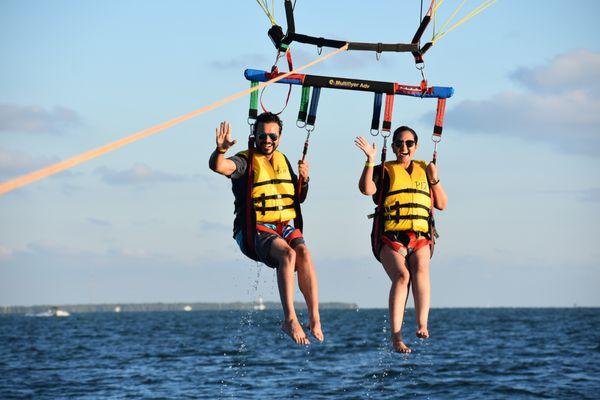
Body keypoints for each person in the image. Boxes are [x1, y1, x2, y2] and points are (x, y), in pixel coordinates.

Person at [209, 112, 323, 345]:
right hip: (253, 230)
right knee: (288, 254)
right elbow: (219, 166)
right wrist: (220, 150)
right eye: (263, 135)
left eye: (273, 135)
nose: (268, 139)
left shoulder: (282, 159)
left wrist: (305, 179)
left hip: (283, 226)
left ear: (280, 136)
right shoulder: (244, 161)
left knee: (304, 254)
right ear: (255, 135)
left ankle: (314, 317)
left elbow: (297, 197)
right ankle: (290, 319)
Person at [355, 126, 447, 353]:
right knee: (402, 276)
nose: (403, 148)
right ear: (393, 146)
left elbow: (442, 204)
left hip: (420, 237)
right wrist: (369, 160)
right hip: (391, 237)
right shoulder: (384, 170)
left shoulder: (426, 170)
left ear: (416, 146)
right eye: (399, 143)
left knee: (421, 270)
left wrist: (434, 180)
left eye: (409, 143)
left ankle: (422, 324)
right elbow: (366, 190)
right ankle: (396, 337)